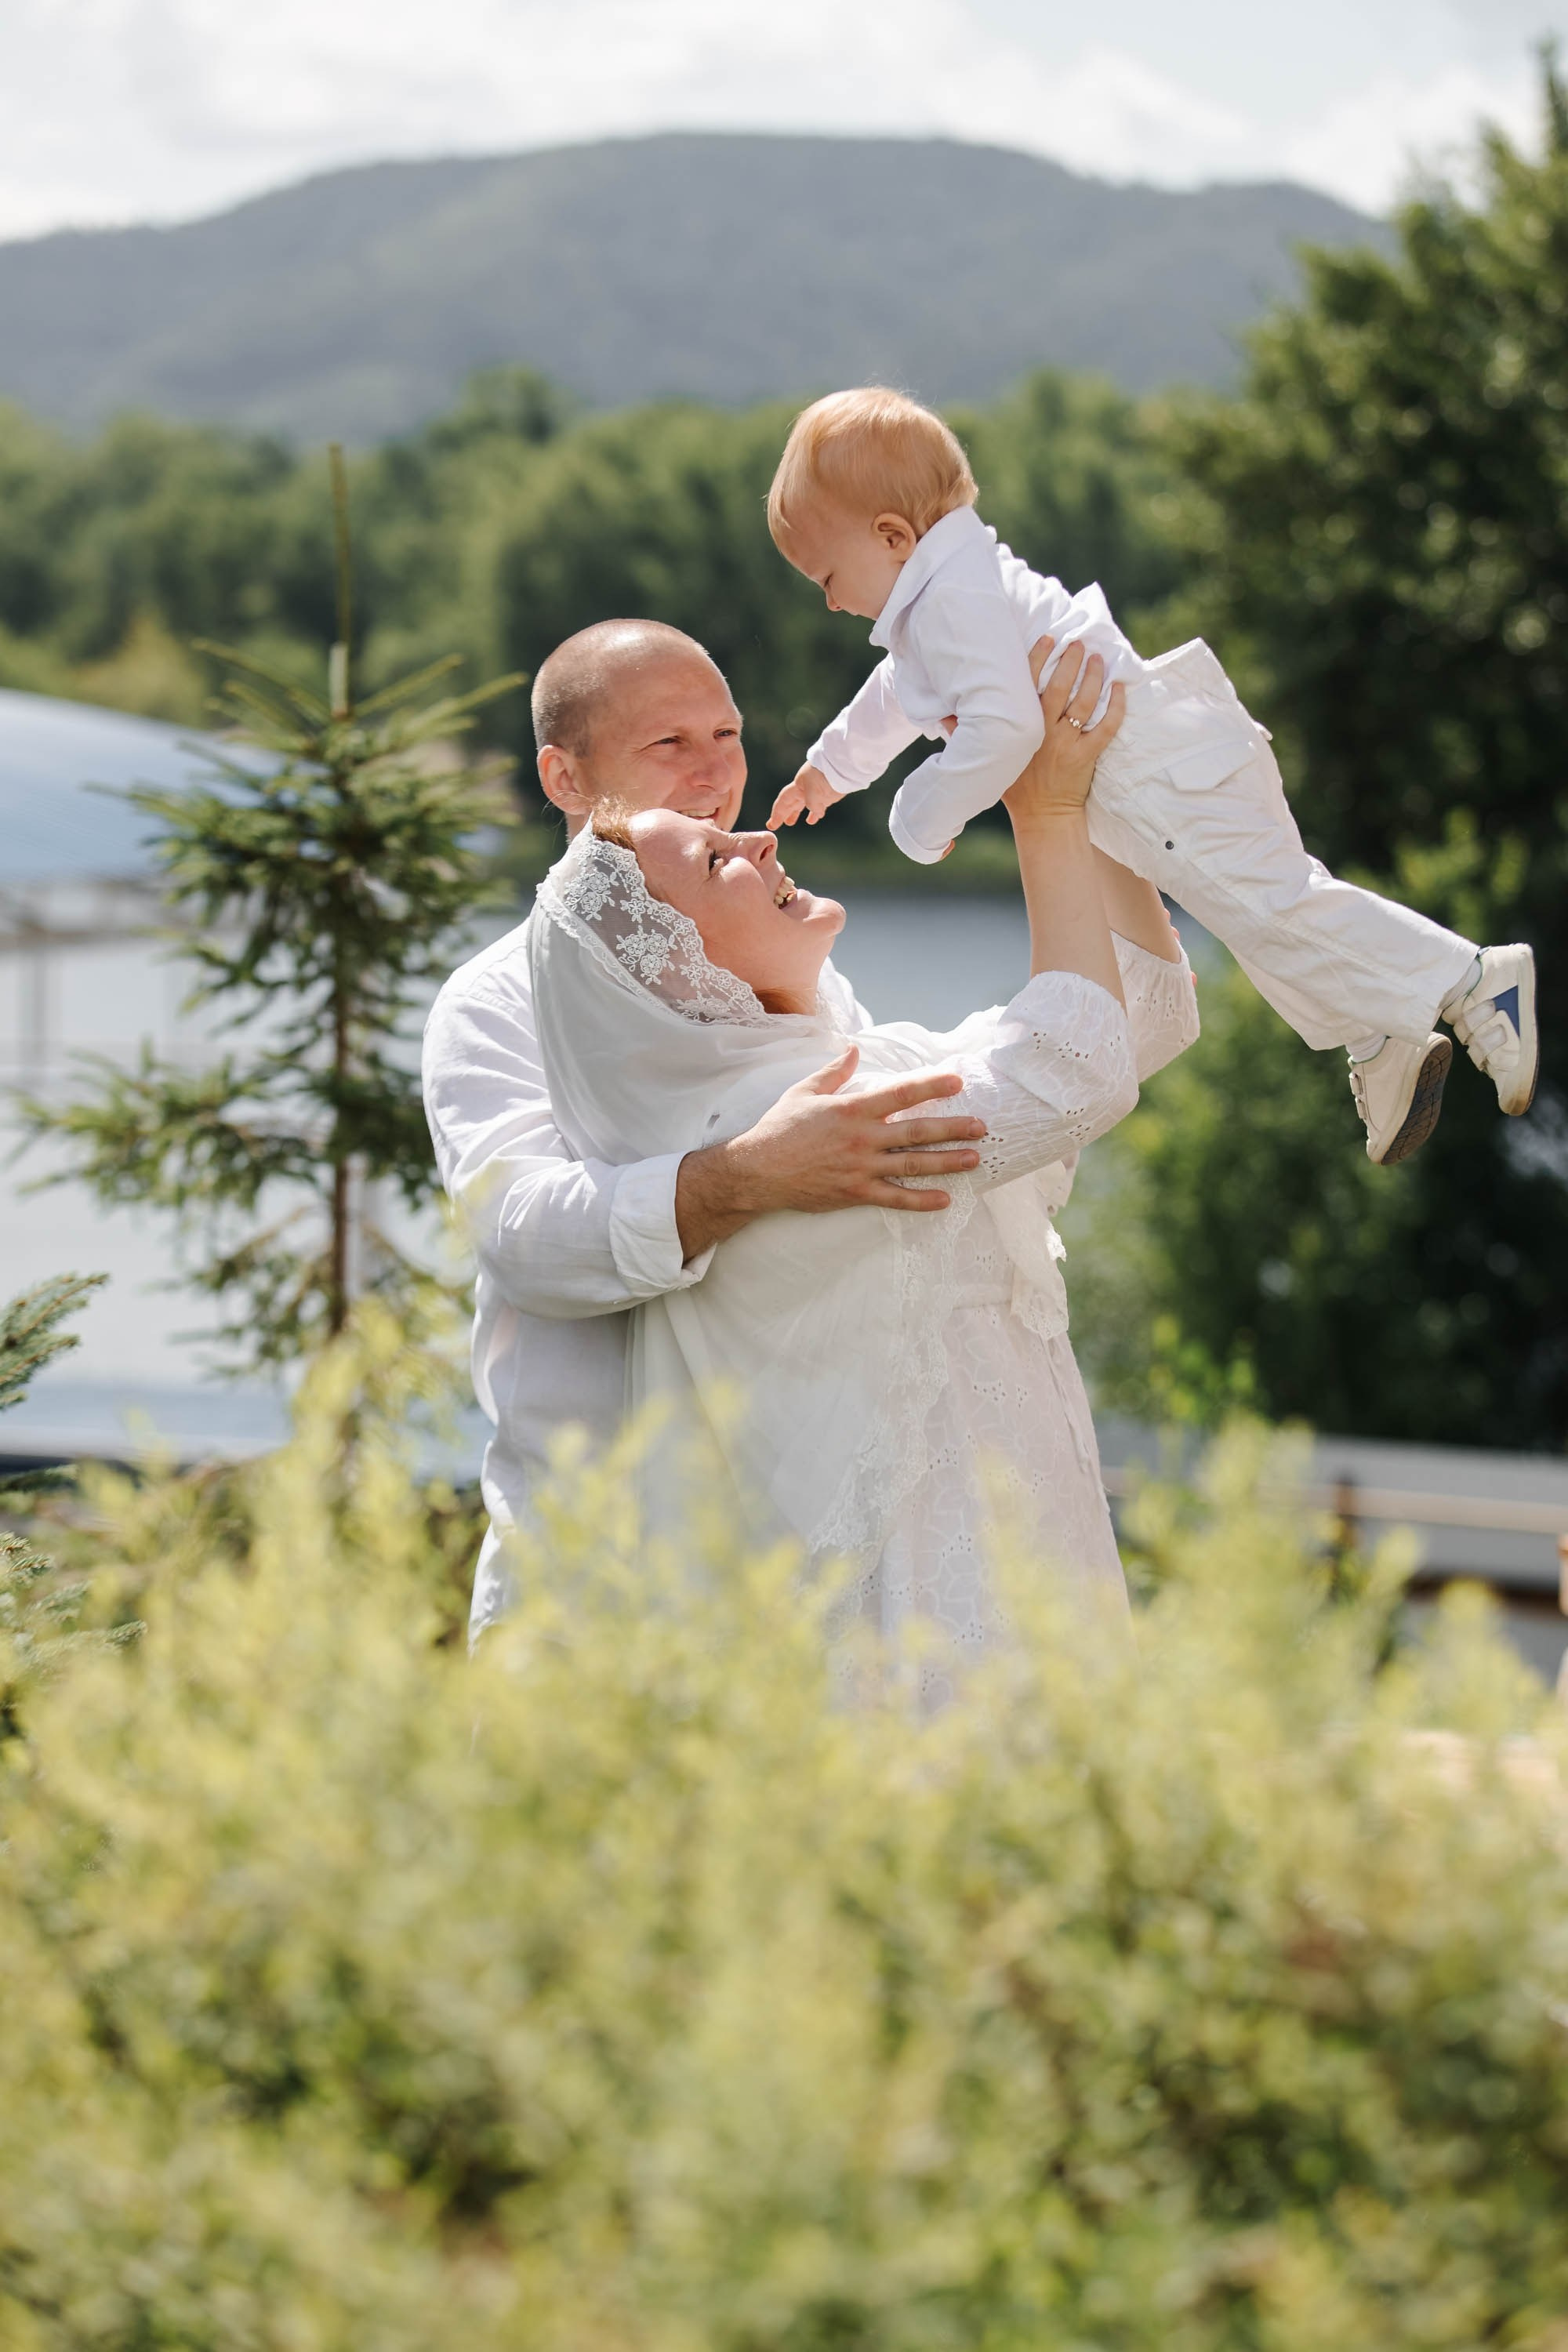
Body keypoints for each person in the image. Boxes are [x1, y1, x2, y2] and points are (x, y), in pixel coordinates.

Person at [522, 641, 1199, 1702]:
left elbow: (1142, 1018)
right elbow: (1080, 1065)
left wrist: (1087, 784)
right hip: (932, 1643)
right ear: (672, 974)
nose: (748, 837)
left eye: (728, 745)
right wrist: (1043, 811)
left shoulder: (850, 1074)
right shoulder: (794, 1132)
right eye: (710, 864)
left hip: (1030, 1574)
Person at [763, 386, 1539, 1169]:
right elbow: (899, 691)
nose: (828, 603)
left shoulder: (951, 602)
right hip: (1157, 765)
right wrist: (830, 768)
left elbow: (1005, 728)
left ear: (893, 537)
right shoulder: (944, 598)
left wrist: (920, 818)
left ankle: (1470, 980)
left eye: (825, 577)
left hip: (1156, 768)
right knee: (1250, 913)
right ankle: (1379, 1038)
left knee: (1270, 903)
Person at [424, 618, 998, 1643]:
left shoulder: (787, 972)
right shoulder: (493, 1001)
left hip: (783, 1579)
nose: (717, 773)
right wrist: (752, 1175)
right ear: (564, 778)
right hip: (588, 1584)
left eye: (727, 735)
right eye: (670, 744)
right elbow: (521, 1236)